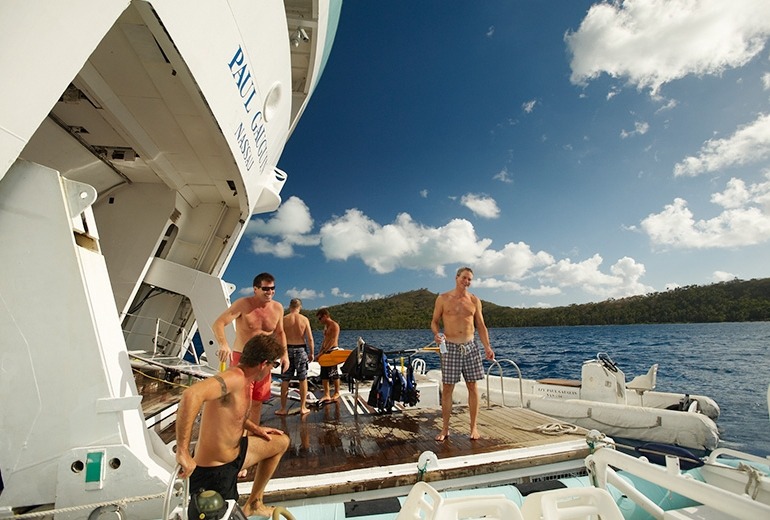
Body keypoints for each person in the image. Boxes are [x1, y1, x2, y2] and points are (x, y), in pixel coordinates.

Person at [176, 334, 290, 518]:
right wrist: (183, 451)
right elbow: (191, 395)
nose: (271, 370)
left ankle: (254, 503)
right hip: (214, 472)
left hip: (235, 456)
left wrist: (255, 429)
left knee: (280, 442)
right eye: (273, 365)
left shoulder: (245, 379)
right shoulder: (233, 378)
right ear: (263, 364)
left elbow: (233, 415)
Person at [213, 272, 288, 426]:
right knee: (240, 400)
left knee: (257, 401)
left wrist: (284, 354)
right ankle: (235, 435)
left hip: (265, 361)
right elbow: (219, 323)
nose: (270, 292)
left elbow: (280, 332)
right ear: (255, 289)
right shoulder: (242, 304)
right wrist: (223, 344)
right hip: (243, 358)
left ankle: (252, 433)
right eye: (266, 289)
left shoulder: (278, 308)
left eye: (273, 288)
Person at [431, 266, 494, 441]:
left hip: (470, 347)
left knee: (473, 387)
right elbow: (434, 322)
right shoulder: (442, 298)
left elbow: (481, 326)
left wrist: (487, 347)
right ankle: (445, 429)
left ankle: (473, 428)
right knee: (448, 388)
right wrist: (437, 334)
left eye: (469, 279)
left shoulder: (474, 300)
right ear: (456, 277)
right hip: (450, 347)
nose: (466, 282)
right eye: (464, 278)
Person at [277, 298, 315, 415]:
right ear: (300, 307)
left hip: (286, 350)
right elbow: (309, 338)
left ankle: (283, 408)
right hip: (300, 349)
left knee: (285, 379)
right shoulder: (304, 319)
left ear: (290, 306)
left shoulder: (284, 319)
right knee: (302, 378)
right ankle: (303, 407)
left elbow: (278, 336)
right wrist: (312, 353)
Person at [315, 308, 341, 403]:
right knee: (324, 374)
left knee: (333, 373)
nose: (320, 321)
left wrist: (323, 353)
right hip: (325, 352)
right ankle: (326, 394)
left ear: (325, 316)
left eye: (320, 318)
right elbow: (325, 341)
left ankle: (337, 392)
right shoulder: (326, 326)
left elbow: (332, 341)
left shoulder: (334, 325)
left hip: (332, 351)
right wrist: (320, 353)